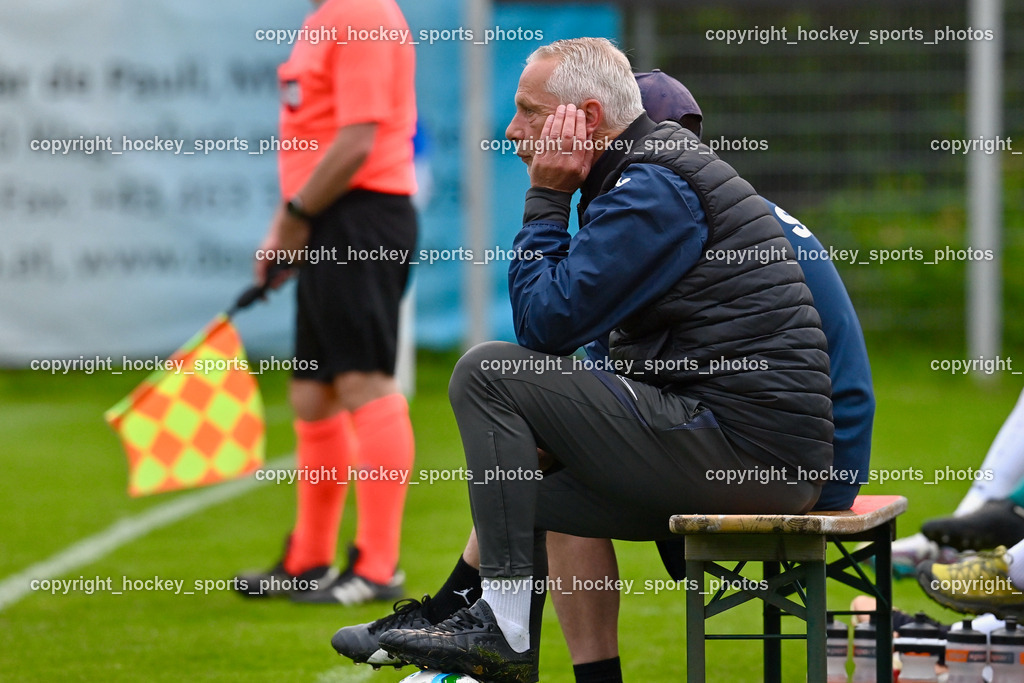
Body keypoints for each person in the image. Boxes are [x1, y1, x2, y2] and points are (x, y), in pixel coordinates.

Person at [331, 65, 867, 683]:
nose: (512, 131)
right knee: (522, 482)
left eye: (531, 112)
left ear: (590, 120)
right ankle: (475, 639)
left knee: (487, 372)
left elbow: (545, 329)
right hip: (772, 448)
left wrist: (547, 203)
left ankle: (488, 629)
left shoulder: (655, 190)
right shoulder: (676, 189)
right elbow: (606, 363)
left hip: (783, 462)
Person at [235, 0, 417, 605]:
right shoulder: (325, 15)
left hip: (360, 217)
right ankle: (309, 559)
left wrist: (295, 219)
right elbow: (314, 138)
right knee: (313, 392)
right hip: (325, 220)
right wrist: (288, 229)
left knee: (364, 382)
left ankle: (378, 566)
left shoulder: (364, 11)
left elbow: (357, 140)